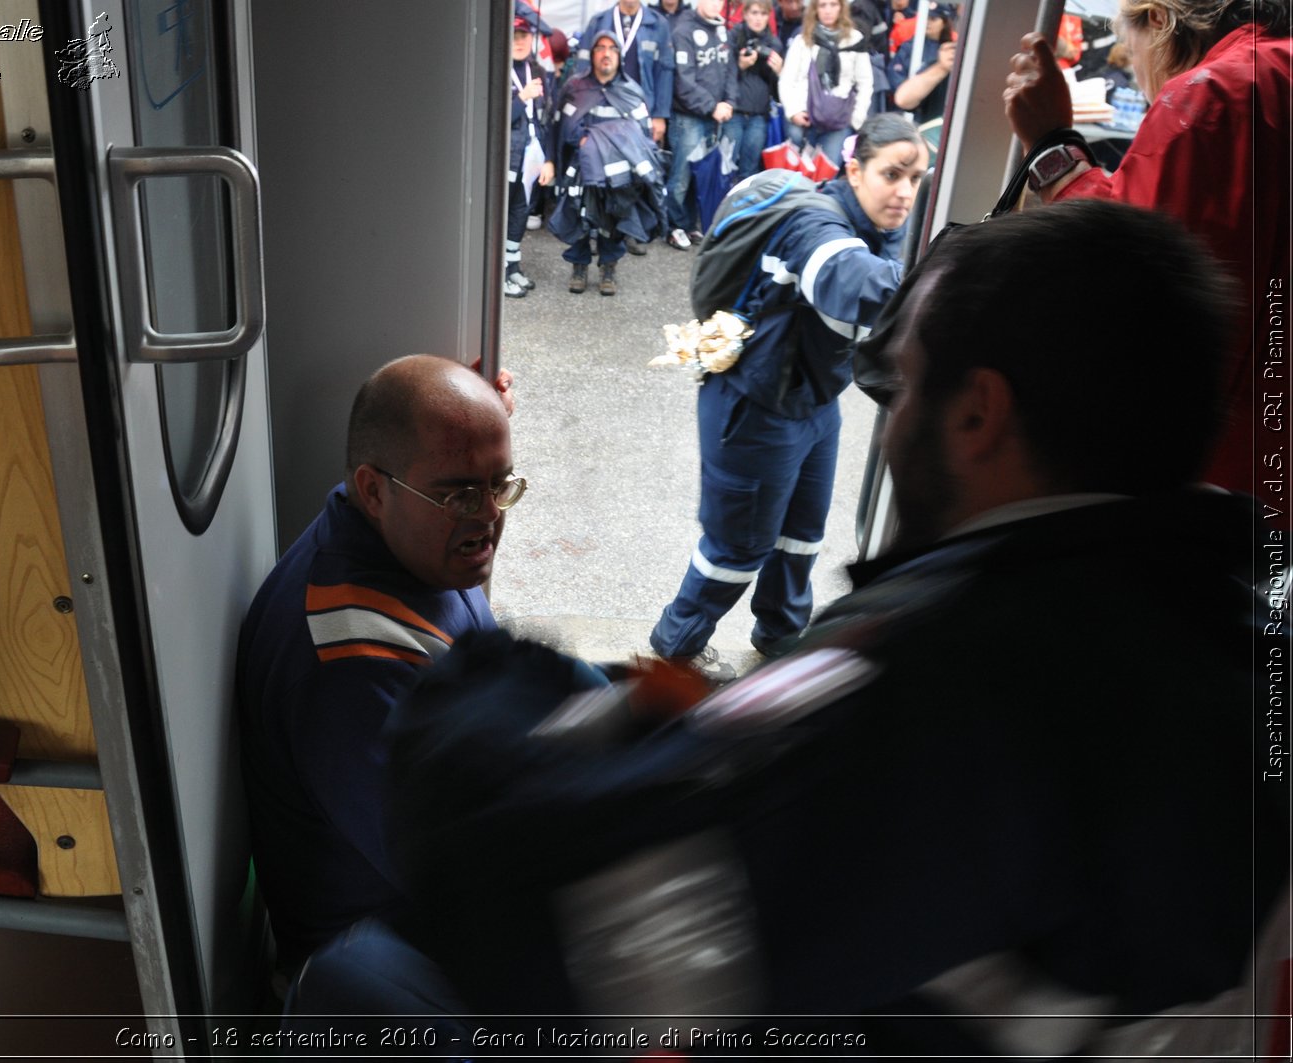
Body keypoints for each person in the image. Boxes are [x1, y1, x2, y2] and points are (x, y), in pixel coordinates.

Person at [389, 202, 1285, 1050]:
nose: (890, 426)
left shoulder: (970, 689)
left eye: (903, 391)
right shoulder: (1242, 608)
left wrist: (495, 694)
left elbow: (536, 908)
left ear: (978, 414)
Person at [236, 354, 523, 970]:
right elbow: (473, 883)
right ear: (374, 489)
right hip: (386, 969)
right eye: (460, 494)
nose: (489, 516)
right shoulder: (352, 661)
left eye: (500, 485)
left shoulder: (401, 532)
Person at [650, 113, 926, 679]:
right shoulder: (815, 229)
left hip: (813, 405)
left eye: (916, 178)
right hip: (754, 408)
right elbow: (850, 281)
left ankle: (780, 636)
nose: (904, 192)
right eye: (892, 174)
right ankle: (673, 647)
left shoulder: (872, 226)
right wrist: (954, 281)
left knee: (801, 536)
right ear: (854, 168)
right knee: (738, 547)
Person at [1003, 0, 1291, 498]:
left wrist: (1052, 146)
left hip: (1219, 478)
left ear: (1158, 22)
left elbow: (1124, 270)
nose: (1138, 75)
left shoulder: (1214, 97)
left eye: (1131, 50)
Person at [549, 28, 666, 295]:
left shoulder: (630, 90)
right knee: (579, 214)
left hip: (617, 172)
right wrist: (581, 139)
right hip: (581, 168)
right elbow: (562, 126)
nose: (606, 54)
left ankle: (609, 267)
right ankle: (579, 266)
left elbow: (641, 135)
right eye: (600, 48)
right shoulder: (575, 88)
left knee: (614, 218)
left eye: (612, 49)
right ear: (592, 55)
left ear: (619, 56)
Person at [573, 0, 678, 254]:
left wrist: (660, 116)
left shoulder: (658, 23)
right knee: (600, 173)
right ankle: (596, 231)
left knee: (633, 174)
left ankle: (630, 231)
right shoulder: (599, 22)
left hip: (637, 110)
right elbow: (581, 67)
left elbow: (665, 71)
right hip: (600, 108)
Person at [665, 0, 739, 248]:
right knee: (681, 177)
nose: (714, 4)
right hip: (689, 117)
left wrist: (729, 101)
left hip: (715, 117)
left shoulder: (721, 30)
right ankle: (673, 226)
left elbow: (730, 70)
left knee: (701, 176)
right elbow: (683, 82)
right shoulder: (683, 30)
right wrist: (711, 105)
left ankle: (689, 225)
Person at [778, 0, 875, 167]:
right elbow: (787, 79)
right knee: (798, 177)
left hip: (839, 121)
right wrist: (793, 111)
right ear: (815, 9)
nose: (828, 10)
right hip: (804, 119)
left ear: (841, 8)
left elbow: (865, 83)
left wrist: (855, 119)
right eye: (823, 5)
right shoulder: (802, 40)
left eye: (833, 5)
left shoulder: (854, 39)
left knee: (825, 176)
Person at [504, 16, 555, 299]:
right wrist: (521, 97)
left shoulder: (536, 70)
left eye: (524, 36)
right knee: (501, 213)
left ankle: (512, 267)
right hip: (508, 157)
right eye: (513, 37)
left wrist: (548, 159)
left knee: (520, 213)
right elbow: (496, 121)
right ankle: (498, 273)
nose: (520, 42)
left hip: (531, 154)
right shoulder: (498, 71)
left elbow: (547, 118)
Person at [728, 0, 787, 177]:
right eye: (754, 13)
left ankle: (746, 205)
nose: (758, 19)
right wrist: (739, 66)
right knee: (726, 166)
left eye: (763, 14)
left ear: (769, 16)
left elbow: (777, 94)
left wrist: (779, 73)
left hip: (759, 116)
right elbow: (721, 77)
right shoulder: (734, 36)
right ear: (745, 14)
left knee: (750, 169)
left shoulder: (774, 44)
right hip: (734, 112)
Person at [890, 1, 957, 124]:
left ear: (944, 22)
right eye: (925, 17)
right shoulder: (910, 47)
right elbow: (897, 84)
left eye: (933, 18)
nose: (927, 22)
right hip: (911, 113)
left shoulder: (952, 52)